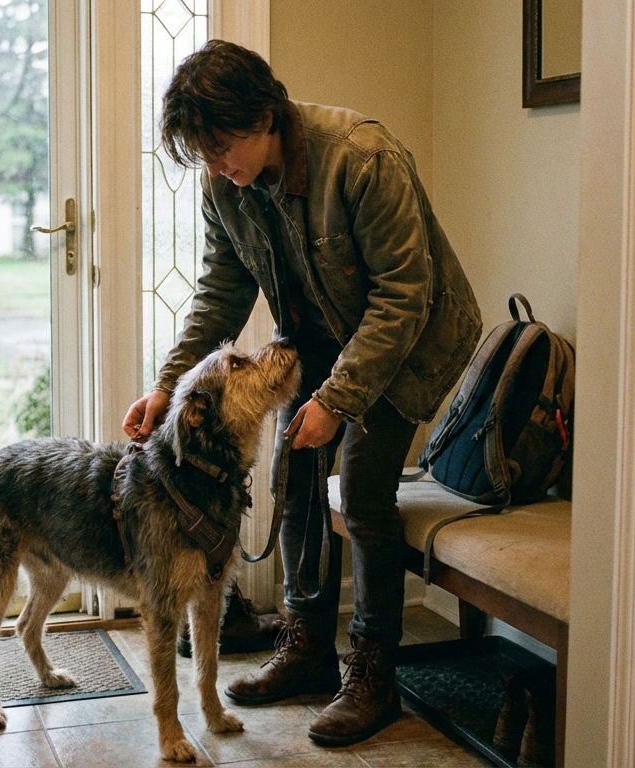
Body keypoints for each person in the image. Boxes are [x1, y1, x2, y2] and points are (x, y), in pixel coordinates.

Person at [122, 40, 481, 747]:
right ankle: (307, 648)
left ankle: (373, 672)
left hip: (407, 342)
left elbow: (405, 298)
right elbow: (221, 292)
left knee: (364, 490)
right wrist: (167, 387)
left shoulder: (361, 158)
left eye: (224, 146)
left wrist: (339, 401)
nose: (219, 165)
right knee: (293, 481)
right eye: (205, 153)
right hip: (315, 338)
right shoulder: (224, 183)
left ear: (265, 114)